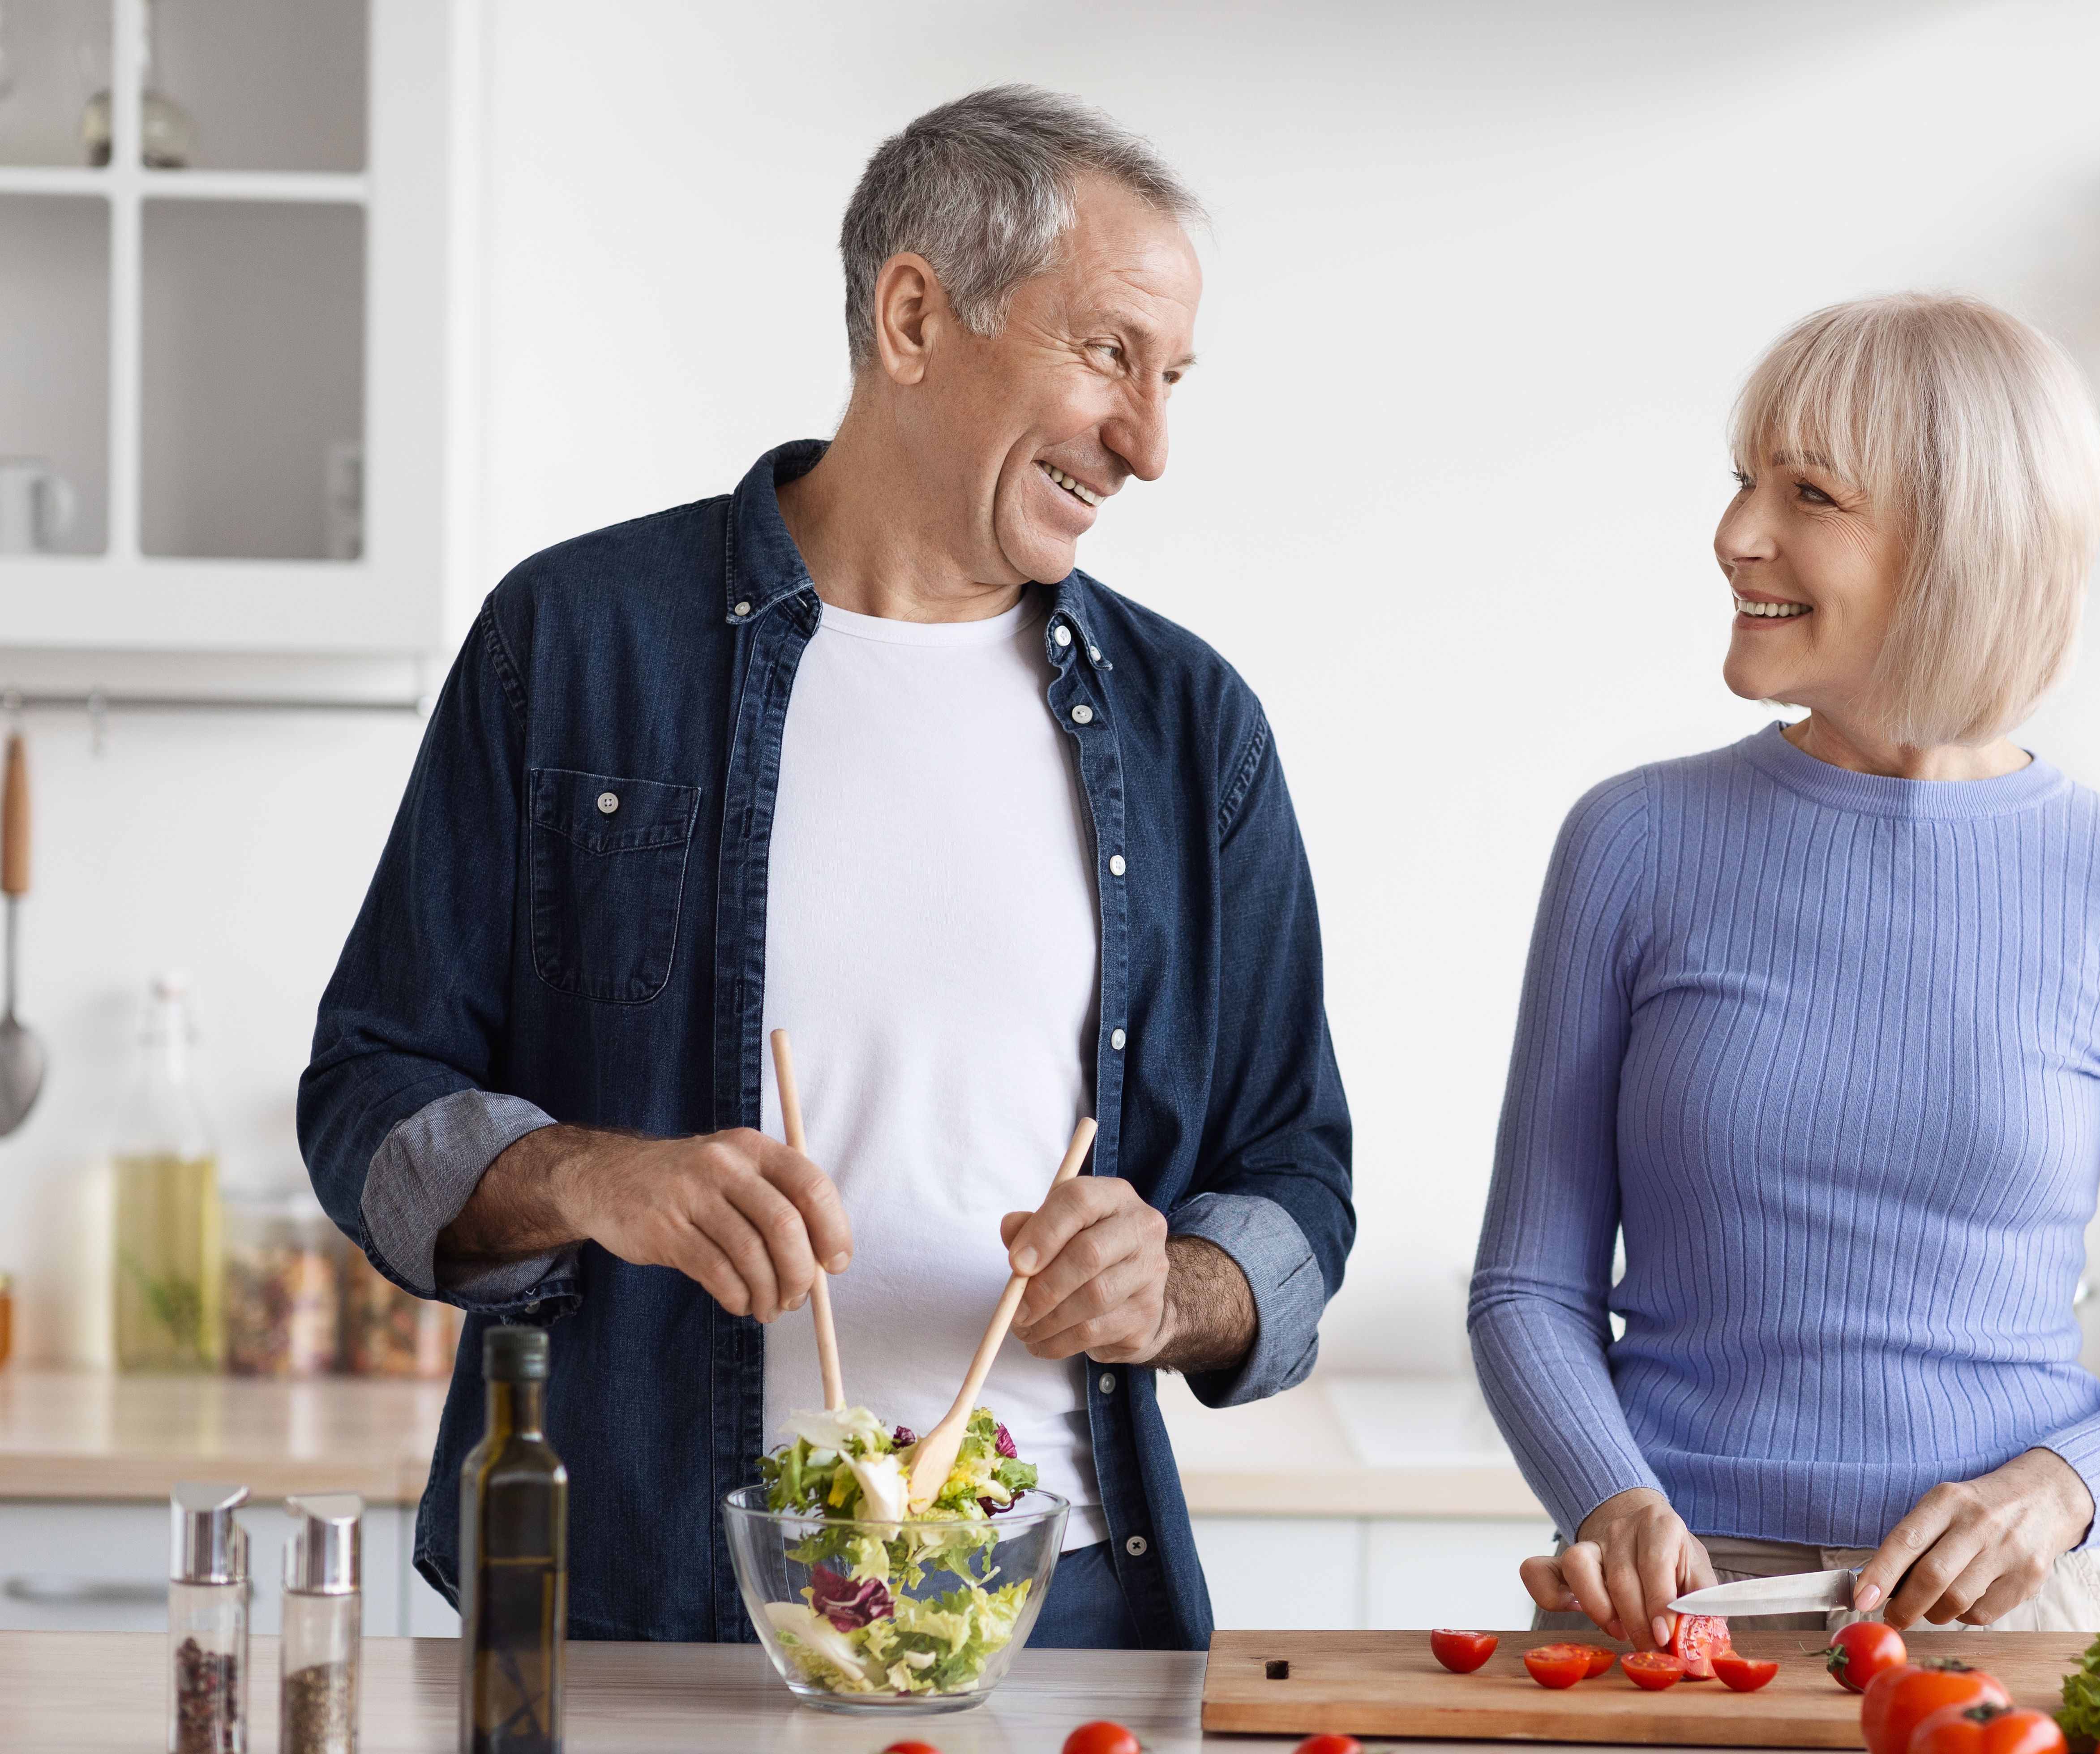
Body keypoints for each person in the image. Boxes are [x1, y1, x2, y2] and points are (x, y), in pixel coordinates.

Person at [300, 87, 1352, 1648]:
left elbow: (1298, 1179)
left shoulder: (1192, 728)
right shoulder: (573, 646)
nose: (1147, 443)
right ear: (914, 313)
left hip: (1055, 1613)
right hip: (645, 1600)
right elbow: (369, 1100)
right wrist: (597, 1176)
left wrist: (1182, 1284)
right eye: (1109, 355)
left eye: (1173, 378)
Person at [1470, 293, 2100, 1647]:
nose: (1737, 533)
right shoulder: (1631, 841)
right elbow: (1527, 1287)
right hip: (1684, 1614)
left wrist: (2057, 1493)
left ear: (1957, 549)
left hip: (2010, 1620)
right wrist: (1606, 1497)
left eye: (1809, 493)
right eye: (1743, 481)